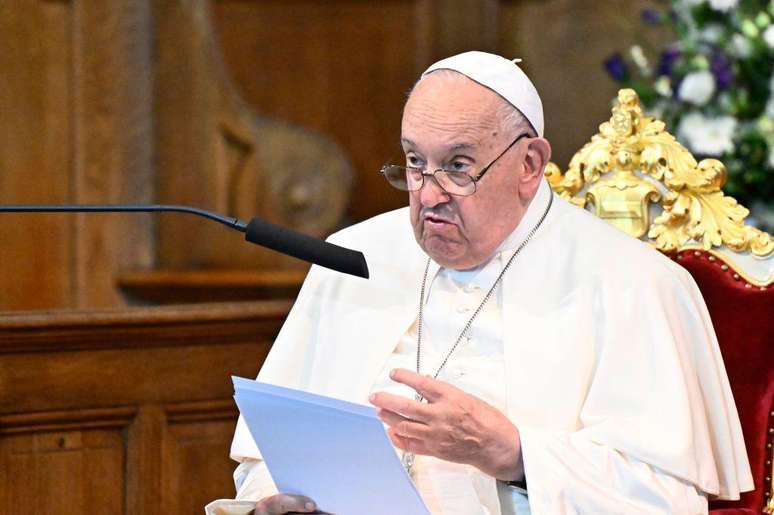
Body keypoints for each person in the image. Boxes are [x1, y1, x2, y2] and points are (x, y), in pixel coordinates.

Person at [214, 51, 752, 514]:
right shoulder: (357, 255)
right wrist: (278, 498)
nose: (427, 194)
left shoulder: (634, 284)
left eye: (458, 166)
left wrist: (515, 455)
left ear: (529, 164)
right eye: (415, 162)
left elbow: (665, 501)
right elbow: (270, 451)